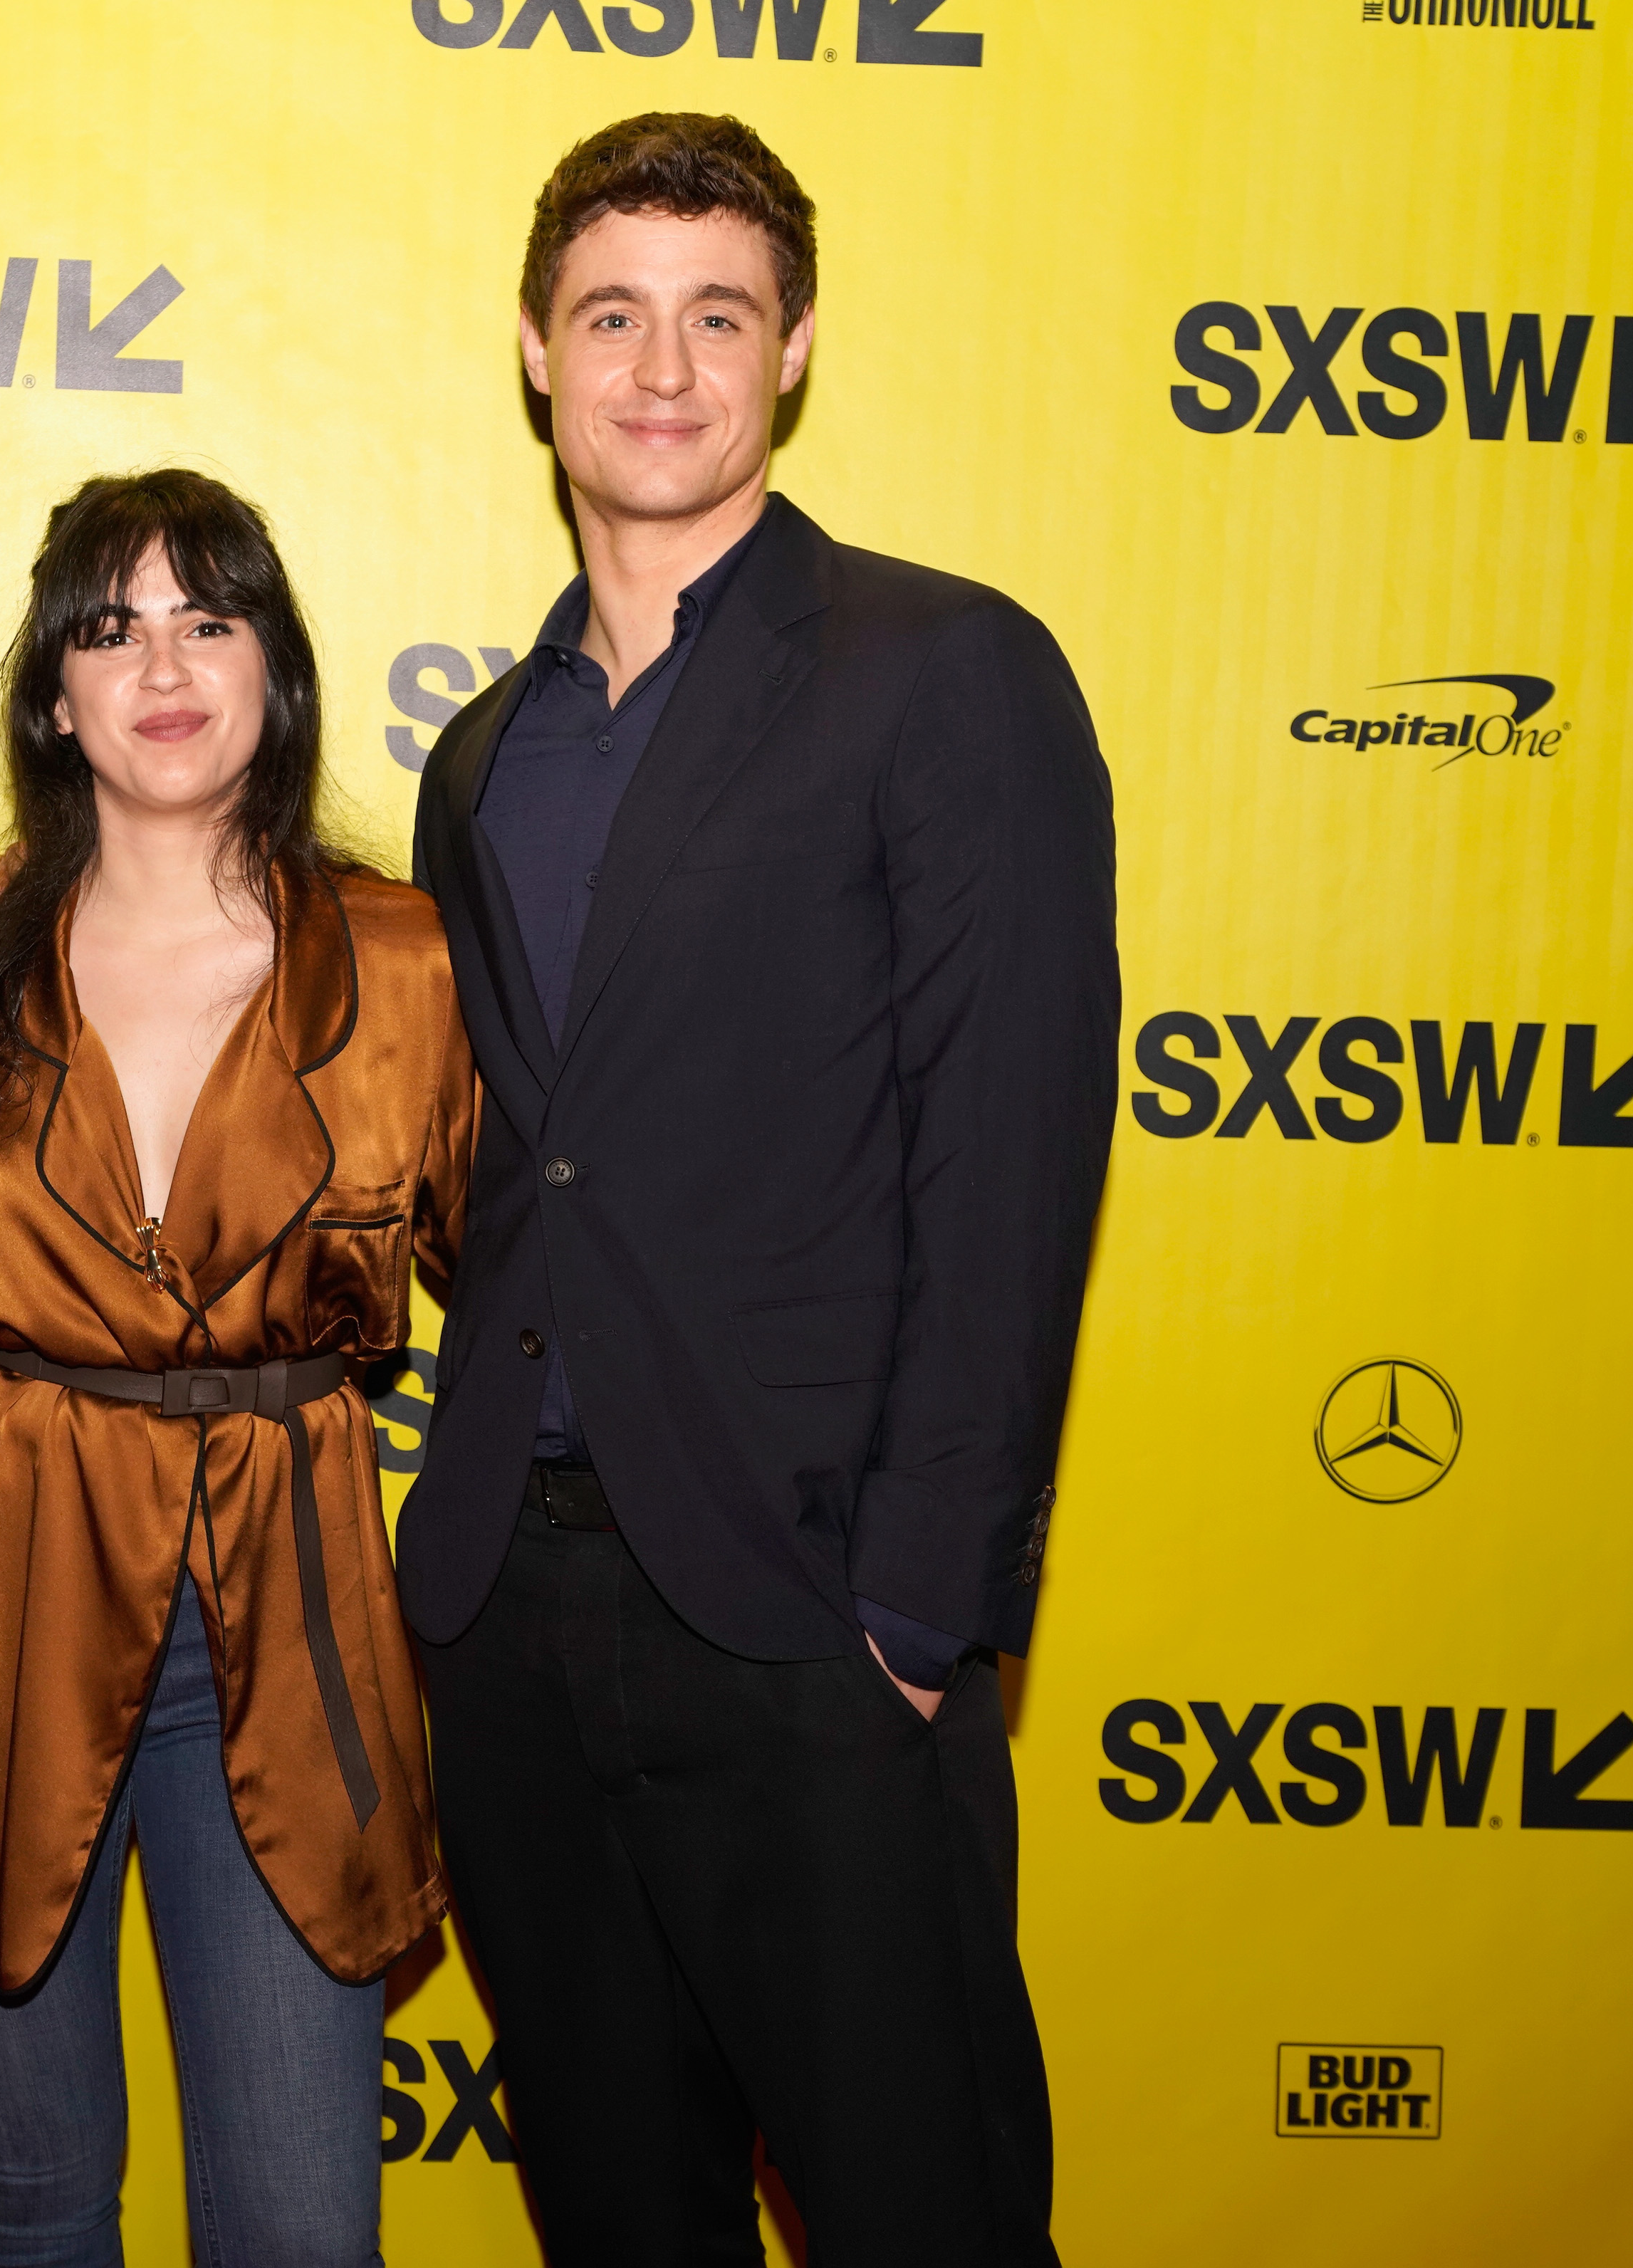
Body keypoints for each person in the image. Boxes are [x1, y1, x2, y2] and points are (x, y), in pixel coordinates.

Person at [402, 117, 1119, 2265]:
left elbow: (1008, 1153)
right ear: (537, 351)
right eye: (613, 315)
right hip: (514, 1616)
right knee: (624, 2219)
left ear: (792, 352)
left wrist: (918, 1604)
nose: (663, 367)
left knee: (924, 2214)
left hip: (813, 1617)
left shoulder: (943, 668)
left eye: (719, 317)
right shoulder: (483, 753)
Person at [0, 467, 474, 2268]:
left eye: (208, 616)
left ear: (276, 664)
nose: (161, 664)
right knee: (29, 2209)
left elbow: (550, 1283)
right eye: (108, 627)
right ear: (51, 690)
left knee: (298, 2230)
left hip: (288, 1612)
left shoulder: (408, 963)